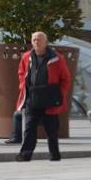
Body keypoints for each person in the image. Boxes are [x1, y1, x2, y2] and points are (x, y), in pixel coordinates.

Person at [16, 31, 71, 162]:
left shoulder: (57, 58)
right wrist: (23, 86)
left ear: (46, 42)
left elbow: (66, 79)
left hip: (49, 99)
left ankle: (54, 155)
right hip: (32, 98)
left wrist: (59, 93)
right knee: (29, 128)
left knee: (51, 130)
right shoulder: (26, 57)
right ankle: (25, 155)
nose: (36, 42)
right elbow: (21, 73)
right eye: (34, 39)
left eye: (39, 39)